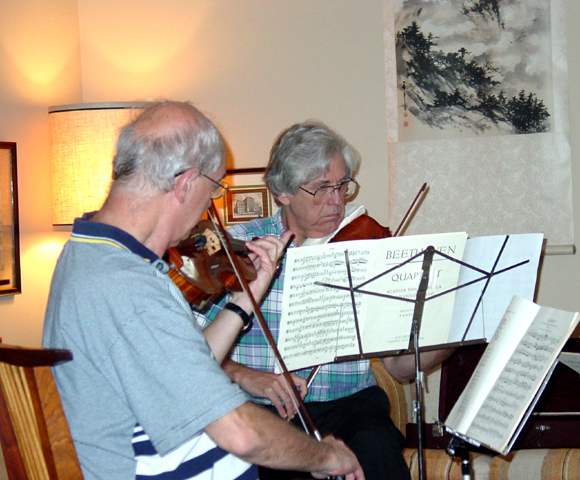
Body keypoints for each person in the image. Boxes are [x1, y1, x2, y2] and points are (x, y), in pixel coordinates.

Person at [42, 102, 365, 480]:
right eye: (213, 189)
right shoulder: (125, 286)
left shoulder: (96, 256)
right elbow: (241, 435)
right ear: (185, 184)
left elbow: (189, 364)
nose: (209, 207)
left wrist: (244, 300)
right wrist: (327, 456)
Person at [205, 120, 453, 480]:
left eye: (342, 186)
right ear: (283, 192)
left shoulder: (370, 246)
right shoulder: (239, 248)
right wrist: (248, 376)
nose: (338, 202)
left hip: (350, 406)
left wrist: (448, 330)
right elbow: (188, 351)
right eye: (322, 188)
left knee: (376, 448)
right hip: (262, 410)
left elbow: (399, 369)